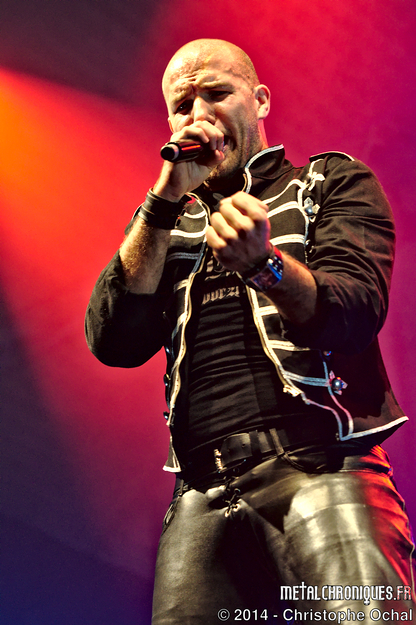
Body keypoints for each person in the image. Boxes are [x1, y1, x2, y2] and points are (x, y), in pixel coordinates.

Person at [85, 39, 415, 624]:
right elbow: (113, 341)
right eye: (182, 106)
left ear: (259, 101)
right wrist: (162, 201)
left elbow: (355, 311)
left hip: (322, 465)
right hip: (200, 493)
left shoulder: (326, 182)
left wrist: (264, 266)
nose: (199, 115)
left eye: (217, 93)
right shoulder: (166, 226)